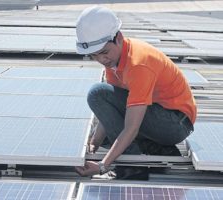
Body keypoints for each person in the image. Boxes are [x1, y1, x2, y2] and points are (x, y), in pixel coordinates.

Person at [75, 6, 196, 177]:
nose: (102, 59)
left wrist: (103, 165)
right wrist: (93, 144)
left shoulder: (138, 64)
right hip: (161, 118)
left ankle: (133, 164)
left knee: (96, 93)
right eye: (95, 56)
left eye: (104, 52)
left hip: (175, 123)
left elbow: (131, 126)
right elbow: (109, 110)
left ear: (119, 38)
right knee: (108, 136)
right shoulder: (115, 60)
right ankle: (160, 149)